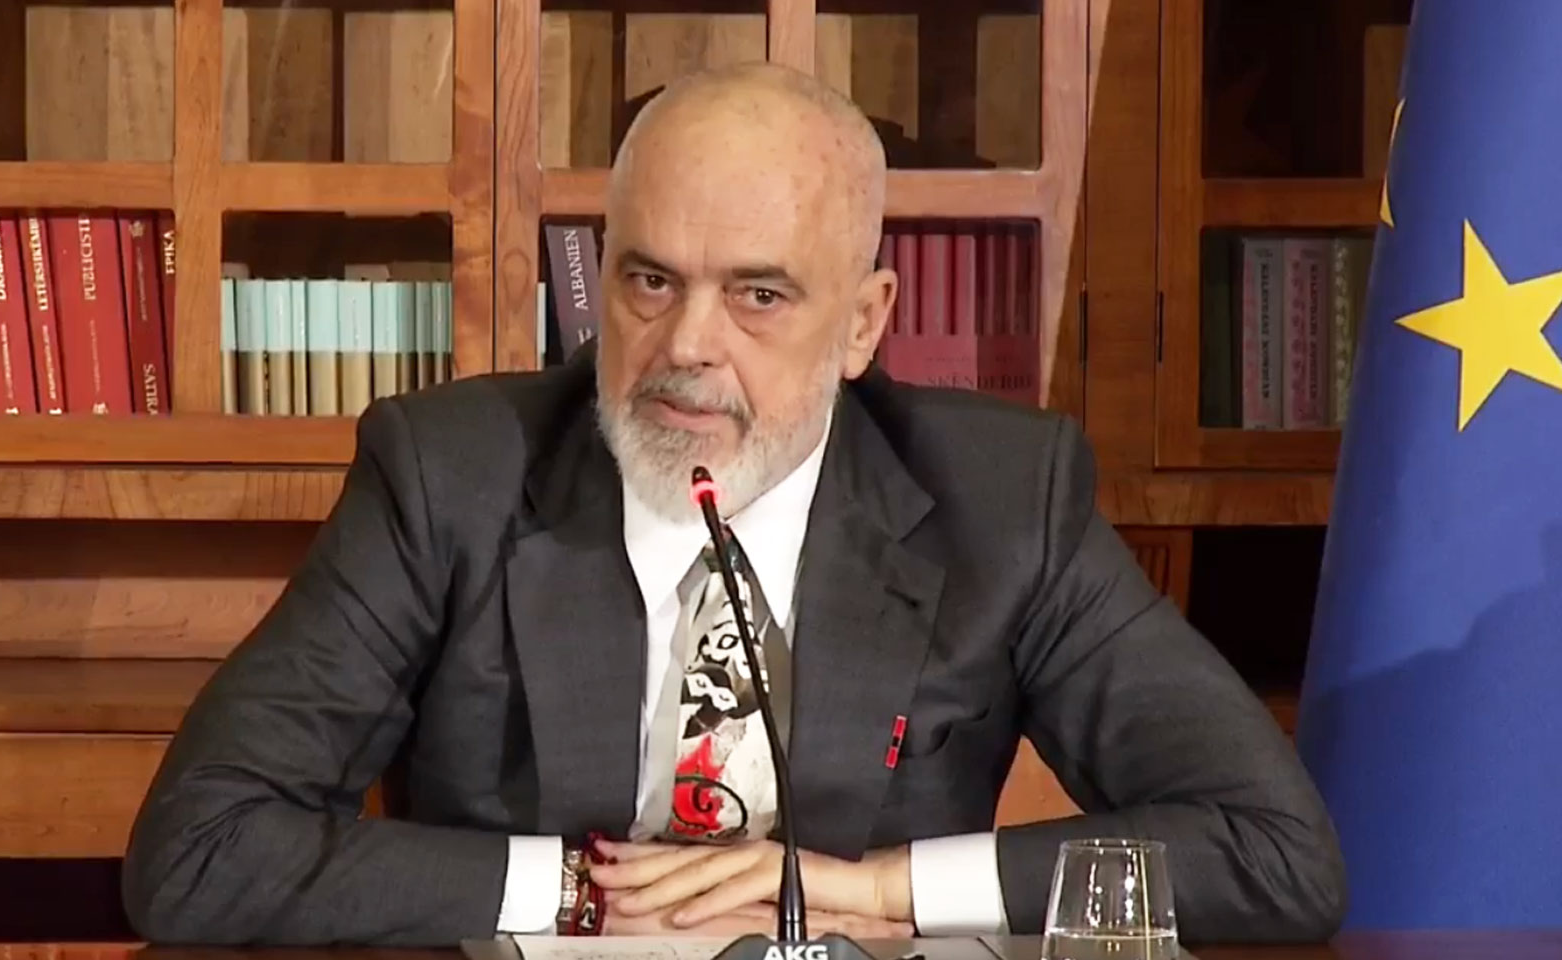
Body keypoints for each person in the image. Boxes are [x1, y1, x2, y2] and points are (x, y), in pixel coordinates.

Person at [121, 61, 1346, 947]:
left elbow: (1274, 854)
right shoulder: (451, 474)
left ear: (861, 323)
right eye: (650, 281)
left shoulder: (998, 498)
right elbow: (199, 851)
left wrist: (865, 889)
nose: (686, 347)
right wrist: (585, 894)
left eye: (759, 295)